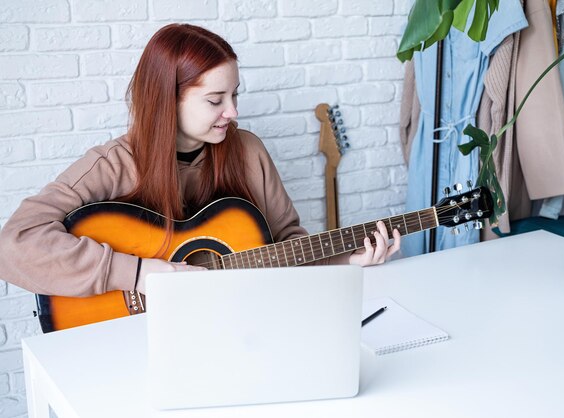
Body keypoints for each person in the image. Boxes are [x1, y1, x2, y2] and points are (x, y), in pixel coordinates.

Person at [0, 23, 401, 301]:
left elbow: (285, 246)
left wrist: (347, 258)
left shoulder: (248, 152)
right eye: (215, 100)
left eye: (235, 96)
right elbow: (13, 245)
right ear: (166, 100)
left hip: (240, 323)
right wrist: (140, 275)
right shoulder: (112, 165)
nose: (233, 112)